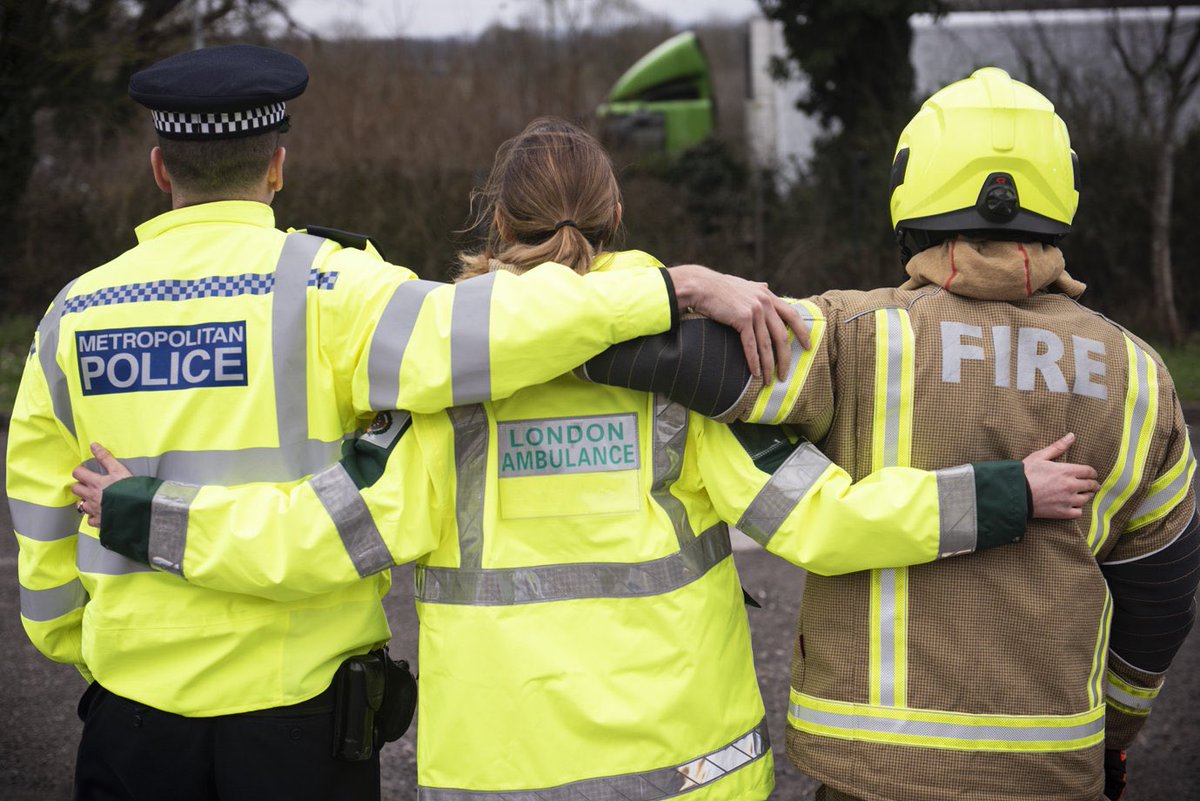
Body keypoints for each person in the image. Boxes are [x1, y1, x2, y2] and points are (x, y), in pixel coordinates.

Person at [74, 118, 1097, 800]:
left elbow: (307, 544)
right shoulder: (691, 379)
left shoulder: (438, 402)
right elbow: (825, 526)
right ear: (614, 224)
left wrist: (145, 517)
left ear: (498, 224)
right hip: (692, 776)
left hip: (503, 779)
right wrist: (1000, 494)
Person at [4, 46, 809, 801]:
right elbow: (499, 327)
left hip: (131, 709)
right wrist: (675, 291)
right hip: (302, 708)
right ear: (278, 167)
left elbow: (40, 526)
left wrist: (88, 646)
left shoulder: (72, 314)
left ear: (158, 168)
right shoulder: (333, 287)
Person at [576, 68, 1200, 801]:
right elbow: (1158, 595)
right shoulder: (1139, 377)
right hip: (1050, 767)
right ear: (1063, 194)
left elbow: (638, 350)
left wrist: (662, 288)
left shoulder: (856, 332)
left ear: (914, 191)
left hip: (867, 769)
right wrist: (1113, 738)